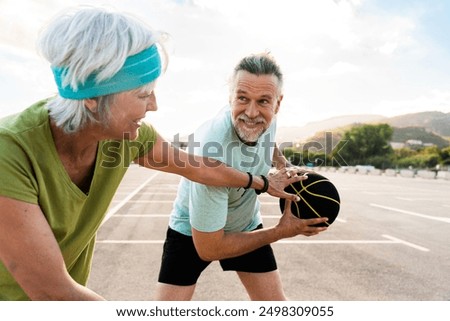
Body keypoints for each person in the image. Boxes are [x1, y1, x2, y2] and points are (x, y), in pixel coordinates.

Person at [0, 6, 306, 301]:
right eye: (143, 94)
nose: (154, 105)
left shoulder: (128, 136)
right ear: (93, 98)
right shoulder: (8, 153)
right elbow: (53, 294)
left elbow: (201, 168)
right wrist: (279, 229)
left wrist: (264, 183)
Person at [155, 53, 329, 301]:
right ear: (230, 98)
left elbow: (267, 140)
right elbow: (209, 248)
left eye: (263, 102)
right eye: (242, 98)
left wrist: (284, 165)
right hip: (192, 233)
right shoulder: (212, 151)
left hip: (244, 223)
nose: (251, 112)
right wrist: (280, 231)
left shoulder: (268, 120)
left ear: (277, 104)